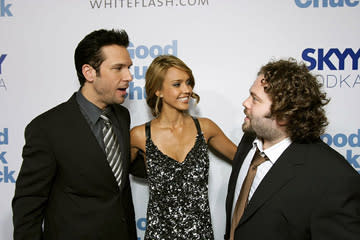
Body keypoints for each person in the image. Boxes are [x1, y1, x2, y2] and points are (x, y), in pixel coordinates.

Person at [12, 29, 144, 240]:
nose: (129, 76)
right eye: (118, 68)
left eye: (128, 68)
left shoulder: (122, 115)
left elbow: (114, 174)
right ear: (89, 72)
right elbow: (28, 204)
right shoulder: (46, 128)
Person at [225, 58, 360, 240]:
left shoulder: (334, 179)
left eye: (255, 100)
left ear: (284, 116)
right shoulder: (250, 137)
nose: (245, 103)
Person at [130, 55, 237, 240]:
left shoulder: (205, 128)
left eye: (188, 82)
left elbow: (246, 162)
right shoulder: (139, 135)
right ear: (158, 91)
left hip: (200, 235)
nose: (187, 89)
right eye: (177, 84)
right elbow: (112, 181)